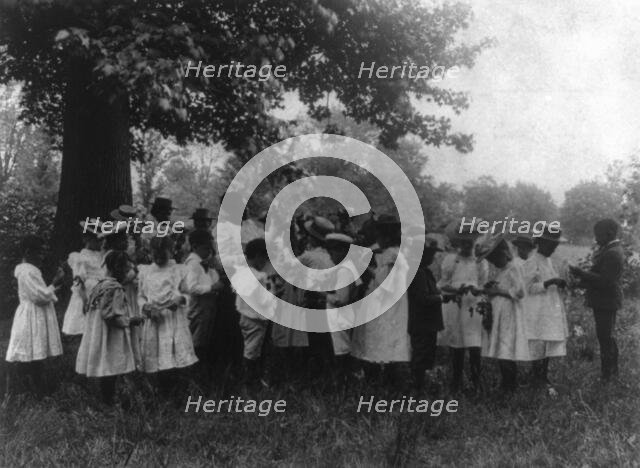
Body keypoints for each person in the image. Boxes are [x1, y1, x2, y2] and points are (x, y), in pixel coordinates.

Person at [76, 250, 144, 404]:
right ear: (118, 269)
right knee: (111, 364)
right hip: (110, 333)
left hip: (99, 332)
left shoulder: (99, 285)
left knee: (106, 364)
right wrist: (130, 321)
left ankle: (107, 397)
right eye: (126, 270)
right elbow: (110, 315)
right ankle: (109, 400)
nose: (128, 274)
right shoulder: (115, 288)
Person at [351, 214, 411, 384]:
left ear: (386, 236)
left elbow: (384, 283)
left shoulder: (392, 256)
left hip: (385, 304)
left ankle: (381, 380)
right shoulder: (389, 253)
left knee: (380, 338)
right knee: (380, 339)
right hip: (384, 302)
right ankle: (382, 378)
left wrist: (366, 269)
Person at [6, 235, 65, 395]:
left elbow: (40, 293)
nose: (41, 256)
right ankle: (28, 388)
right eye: (38, 252)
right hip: (32, 314)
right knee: (31, 350)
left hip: (36, 313)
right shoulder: (26, 271)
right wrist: (54, 283)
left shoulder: (30, 270)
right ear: (27, 252)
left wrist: (51, 289)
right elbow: (39, 296)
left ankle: (35, 387)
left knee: (36, 351)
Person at [138, 236, 197, 392]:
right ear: (150, 253)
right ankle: (161, 388)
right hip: (154, 318)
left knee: (173, 350)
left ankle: (176, 388)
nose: (158, 258)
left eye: (162, 255)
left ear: (171, 252)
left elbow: (188, 293)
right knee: (157, 351)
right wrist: (146, 307)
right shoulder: (145, 271)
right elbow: (140, 296)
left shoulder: (179, 270)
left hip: (173, 318)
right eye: (154, 254)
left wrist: (180, 299)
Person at [569, 218, 624, 382]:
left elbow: (605, 281)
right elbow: (599, 276)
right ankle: (611, 373)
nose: (596, 239)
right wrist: (579, 282)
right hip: (605, 300)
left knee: (605, 337)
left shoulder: (612, 253)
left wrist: (580, 273)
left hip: (606, 301)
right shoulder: (609, 249)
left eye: (598, 235)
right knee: (607, 337)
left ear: (610, 233)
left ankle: (608, 376)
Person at [437, 220, 488, 392]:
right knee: (457, 345)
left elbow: (484, 285)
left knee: (474, 345)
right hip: (456, 307)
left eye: (470, 242)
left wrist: (476, 290)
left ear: (475, 242)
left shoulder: (480, 263)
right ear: (458, 243)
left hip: (474, 308)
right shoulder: (451, 260)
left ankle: (476, 382)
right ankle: (456, 382)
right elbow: (442, 285)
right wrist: (459, 289)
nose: (467, 245)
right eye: (463, 242)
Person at [477, 235, 531, 391]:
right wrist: (492, 288)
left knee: (506, 347)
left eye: (496, 258)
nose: (494, 263)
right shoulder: (504, 270)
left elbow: (520, 292)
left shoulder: (514, 267)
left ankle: (509, 384)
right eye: (491, 261)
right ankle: (507, 382)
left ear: (506, 253)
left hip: (509, 314)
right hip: (501, 314)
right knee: (502, 347)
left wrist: (498, 290)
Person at [522, 227, 569, 387]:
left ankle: (542, 376)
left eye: (555, 246)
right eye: (551, 245)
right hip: (536, 309)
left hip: (548, 308)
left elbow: (549, 279)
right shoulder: (531, 262)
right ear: (541, 243)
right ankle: (537, 376)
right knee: (538, 342)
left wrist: (559, 283)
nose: (553, 249)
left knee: (547, 340)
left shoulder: (547, 261)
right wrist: (550, 282)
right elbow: (527, 288)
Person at [231, 238, 278, 387]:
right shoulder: (260, 277)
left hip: (244, 316)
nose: (265, 262)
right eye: (265, 258)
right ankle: (250, 382)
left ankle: (249, 378)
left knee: (248, 347)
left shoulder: (240, 273)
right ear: (258, 256)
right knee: (254, 351)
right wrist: (275, 293)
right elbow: (264, 300)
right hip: (257, 319)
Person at [181, 229, 222, 388]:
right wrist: (212, 287)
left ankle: (199, 377)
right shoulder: (193, 263)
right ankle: (192, 380)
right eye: (205, 248)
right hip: (197, 309)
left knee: (202, 342)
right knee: (196, 344)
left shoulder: (203, 262)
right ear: (195, 246)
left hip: (205, 309)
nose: (208, 251)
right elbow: (192, 287)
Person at [325, 233, 363, 381]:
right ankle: (347, 379)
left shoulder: (343, 271)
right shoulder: (351, 268)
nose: (331, 255)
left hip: (340, 315)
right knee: (345, 347)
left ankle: (343, 383)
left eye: (333, 251)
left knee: (341, 349)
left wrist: (324, 296)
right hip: (348, 314)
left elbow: (342, 299)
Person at [407, 239, 444, 391]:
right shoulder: (418, 272)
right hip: (422, 322)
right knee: (421, 355)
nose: (433, 258)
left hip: (427, 323)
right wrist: (441, 298)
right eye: (430, 254)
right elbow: (423, 298)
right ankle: (417, 388)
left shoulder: (424, 272)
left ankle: (419, 386)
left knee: (426, 355)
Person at [62, 219, 104, 336]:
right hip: (85, 296)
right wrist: (85, 300)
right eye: (96, 239)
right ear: (86, 239)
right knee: (85, 327)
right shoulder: (81, 257)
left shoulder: (101, 256)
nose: (99, 243)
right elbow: (78, 281)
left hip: (100, 294)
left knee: (97, 329)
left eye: (101, 240)